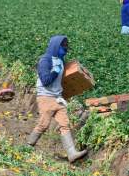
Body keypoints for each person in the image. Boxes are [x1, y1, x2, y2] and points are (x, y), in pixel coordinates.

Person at [27, 35, 87, 163]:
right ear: (55, 46)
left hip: (58, 98)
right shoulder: (45, 60)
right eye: (63, 46)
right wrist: (55, 71)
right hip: (45, 97)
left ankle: (72, 153)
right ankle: (28, 146)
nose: (65, 49)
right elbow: (45, 80)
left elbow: (63, 80)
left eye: (66, 47)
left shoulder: (61, 60)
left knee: (64, 124)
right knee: (44, 124)